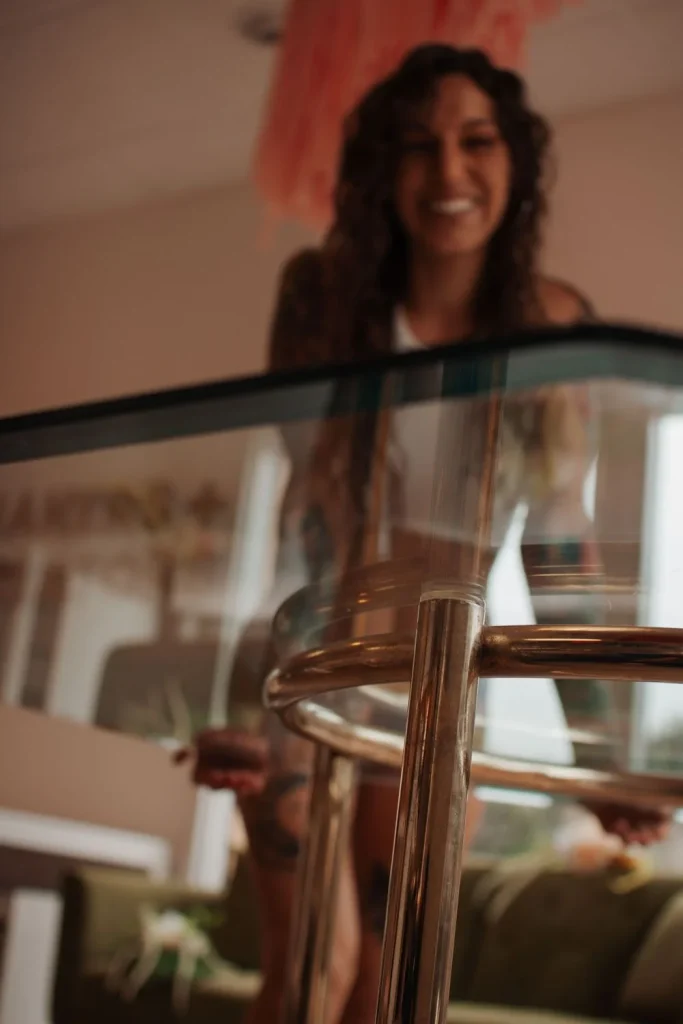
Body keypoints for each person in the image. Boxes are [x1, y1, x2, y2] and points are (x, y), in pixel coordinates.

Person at [179, 45, 669, 1023]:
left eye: (475, 141)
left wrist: (600, 753)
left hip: (444, 689)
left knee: (389, 993)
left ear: (513, 163)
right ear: (380, 174)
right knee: (312, 966)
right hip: (312, 664)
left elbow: (561, 542)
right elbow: (299, 506)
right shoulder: (321, 297)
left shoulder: (551, 319)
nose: (448, 172)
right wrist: (228, 690)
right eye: (416, 147)